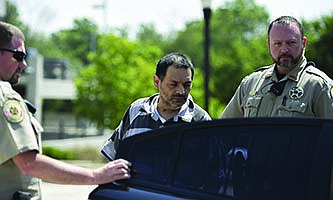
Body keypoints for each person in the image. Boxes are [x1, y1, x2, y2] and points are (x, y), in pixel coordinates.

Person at [0, 21, 131, 200]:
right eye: (19, 55)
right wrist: (97, 176)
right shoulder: (6, 97)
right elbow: (29, 164)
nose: (23, 64)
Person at [101, 52, 211, 160]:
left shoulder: (201, 120)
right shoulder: (136, 110)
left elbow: (216, 169)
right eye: (173, 84)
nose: (181, 91)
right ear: (156, 82)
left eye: (187, 85)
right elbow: (114, 156)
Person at [221, 16, 333, 118]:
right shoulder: (250, 83)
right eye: (277, 43)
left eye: (291, 42)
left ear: (303, 43)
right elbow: (225, 130)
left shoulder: (320, 86)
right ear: (268, 44)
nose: (284, 49)